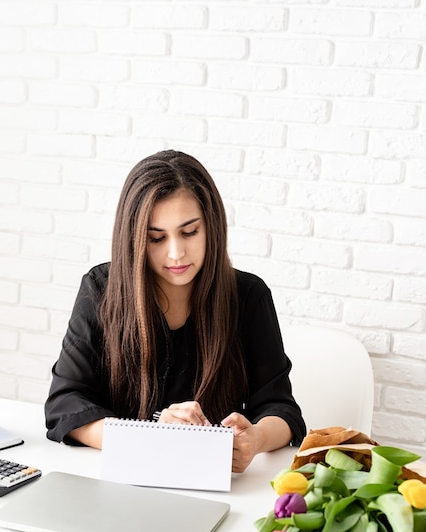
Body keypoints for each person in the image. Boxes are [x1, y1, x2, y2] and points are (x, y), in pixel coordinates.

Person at [44, 150, 306, 473]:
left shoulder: (248, 297)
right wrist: (148, 437)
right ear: (135, 241)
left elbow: (282, 409)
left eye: (189, 232)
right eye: (156, 238)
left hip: (220, 486)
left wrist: (255, 439)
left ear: (211, 227)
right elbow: (65, 404)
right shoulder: (101, 290)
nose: (176, 253)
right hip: (119, 478)